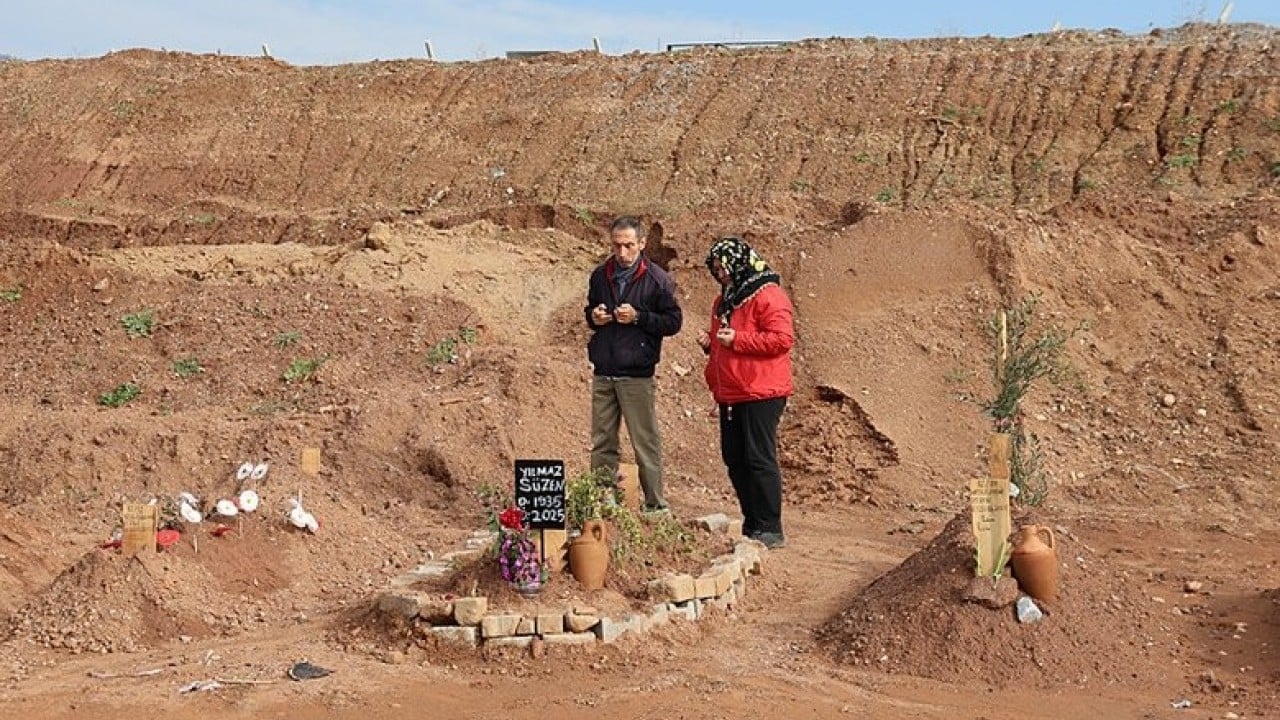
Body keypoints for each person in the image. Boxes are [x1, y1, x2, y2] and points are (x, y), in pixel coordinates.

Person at [698, 236, 795, 549]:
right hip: (732, 390)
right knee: (735, 457)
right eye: (715, 268)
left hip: (761, 390)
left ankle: (770, 525)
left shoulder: (768, 296)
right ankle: (753, 522)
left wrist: (736, 340)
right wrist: (711, 345)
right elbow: (724, 341)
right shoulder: (725, 299)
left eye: (723, 267)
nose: (720, 273)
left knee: (758, 457)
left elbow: (781, 339)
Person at [585, 216, 683, 513]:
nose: (622, 252)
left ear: (642, 243)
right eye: (617, 246)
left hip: (637, 373)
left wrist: (639, 317)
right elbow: (590, 308)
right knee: (602, 442)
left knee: (644, 441)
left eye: (629, 245)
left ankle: (655, 504)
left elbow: (674, 321)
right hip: (605, 369)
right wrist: (595, 316)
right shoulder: (601, 276)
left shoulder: (657, 280)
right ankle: (604, 502)